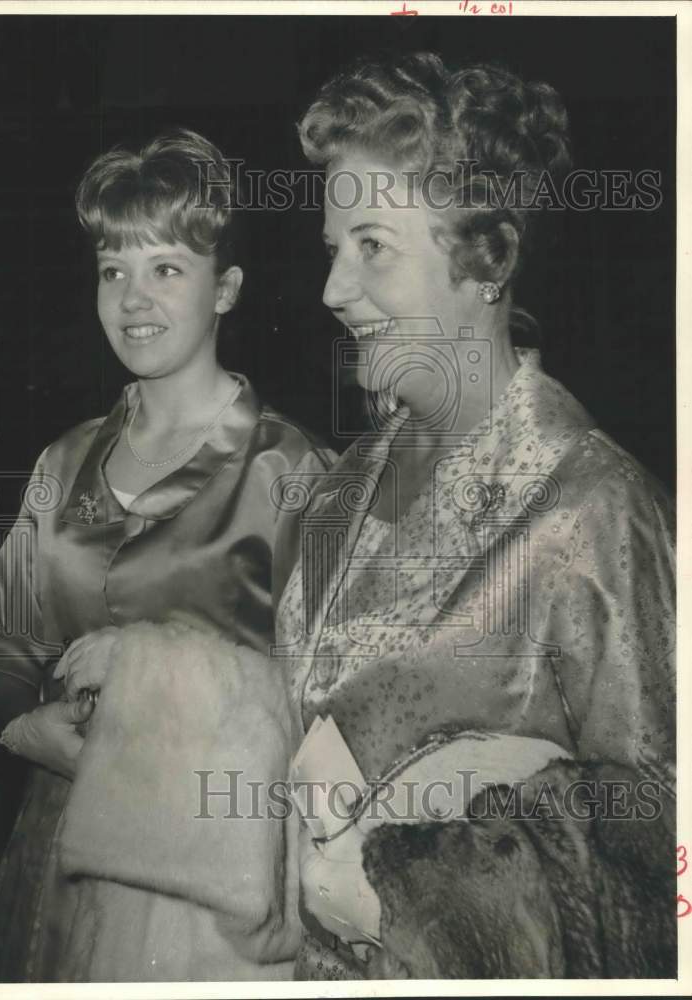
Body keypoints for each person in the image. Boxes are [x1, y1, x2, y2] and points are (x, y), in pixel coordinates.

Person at [274, 52, 676, 979]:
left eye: (372, 246)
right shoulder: (344, 483)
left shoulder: (594, 505)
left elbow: (659, 833)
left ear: (486, 257)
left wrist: (408, 888)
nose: (333, 289)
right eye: (333, 249)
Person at [0, 128, 334, 981]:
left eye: (166, 268)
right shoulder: (61, 463)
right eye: (112, 269)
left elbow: (327, 702)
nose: (133, 299)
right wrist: (23, 725)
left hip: (214, 877)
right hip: (59, 858)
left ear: (227, 289)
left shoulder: (292, 468)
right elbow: (3, 642)